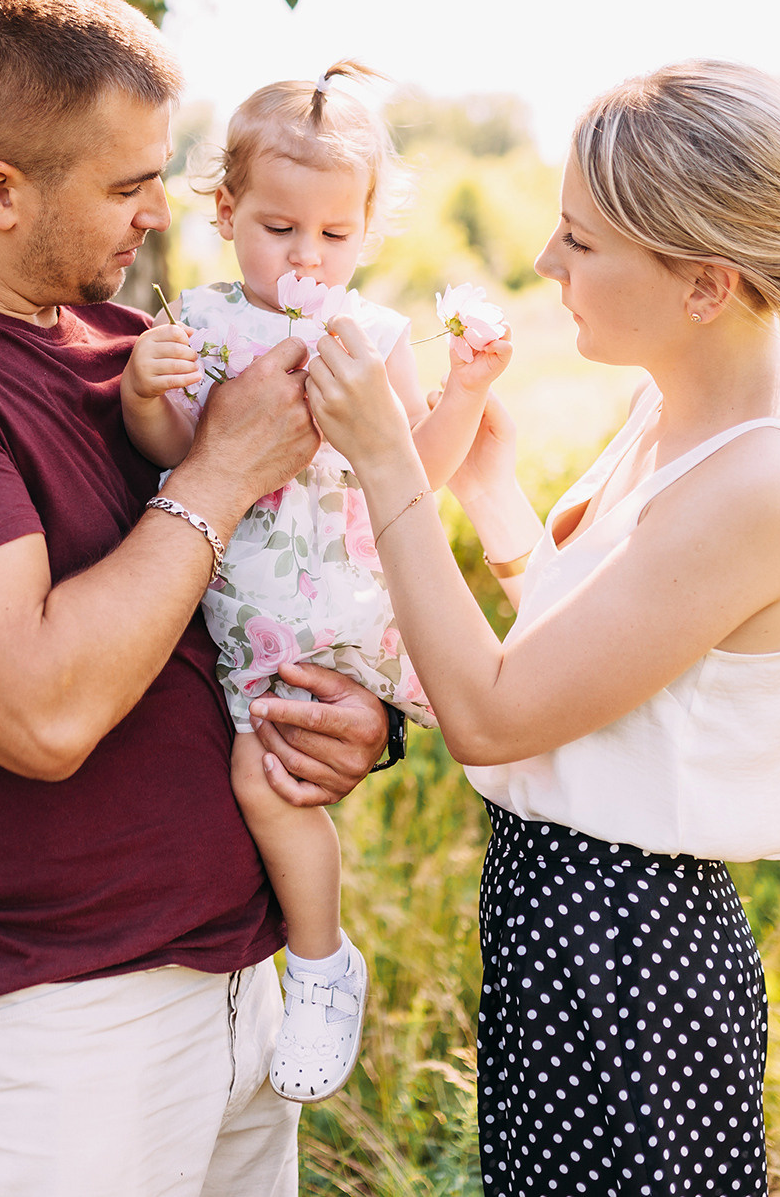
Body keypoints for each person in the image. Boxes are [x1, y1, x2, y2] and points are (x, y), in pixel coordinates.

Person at [0, 0, 394, 1197]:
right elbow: (42, 713)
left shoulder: (130, 348)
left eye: (159, 174)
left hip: (235, 989)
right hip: (51, 1027)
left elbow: (266, 581)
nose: (160, 213)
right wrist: (215, 476)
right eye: (125, 185)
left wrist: (360, 730)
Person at [302, 60, 780, 1194]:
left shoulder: (762, 477)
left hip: (627, 949)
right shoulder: (671, 405)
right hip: (562, 913)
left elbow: (495, 713)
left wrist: (384, 469)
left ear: (703, 284)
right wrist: (491, 489)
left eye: (579, 240)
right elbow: (597, 653)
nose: (544, 264)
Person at [120, 60, 511, 1102]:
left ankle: (322, 965)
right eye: (279, 228)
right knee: (257, 775)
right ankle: (314, 961)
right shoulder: (195, 324)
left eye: (334, 236)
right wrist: (143, 393)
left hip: (344, 606)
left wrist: (463, 389)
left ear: (368, 231)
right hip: (247, 605)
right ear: (224, 211)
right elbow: (172, 455)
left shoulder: (372, 336)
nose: (306, 255)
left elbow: (413, 477)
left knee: (271, 775)